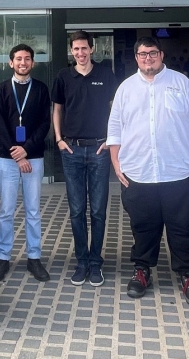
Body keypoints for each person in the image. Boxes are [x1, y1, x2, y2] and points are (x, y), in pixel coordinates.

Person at [107, 37, 189, 307]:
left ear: (161, 54)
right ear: (136, 58)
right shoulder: (126, 89)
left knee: (183, 228)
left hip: (180, 172)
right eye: (142, 54)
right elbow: (115, 128)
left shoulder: (182, 83)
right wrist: (117, 165)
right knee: (143, 227)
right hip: (139, 173)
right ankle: (142, 271)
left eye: (152, 53)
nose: (148, 58)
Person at [52, 31, 118, 287]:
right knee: (77, 210)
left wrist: (110, 140)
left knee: (99, 211)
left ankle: (95, 262)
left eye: (84, 48)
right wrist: (58, 139)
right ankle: (81, 261)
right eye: (75, 49)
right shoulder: (63, 77)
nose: (80, 53)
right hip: (72, 150)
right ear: (72, 51)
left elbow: (116, 110)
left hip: (99, 149)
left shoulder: (106, 75)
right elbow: (57, 109)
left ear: (92, 49)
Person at [0, 44, 53, 283]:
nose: (23, 63)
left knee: (33, 211)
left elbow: (44, 124)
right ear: (11, 63)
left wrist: (26, 150)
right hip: (8, 160)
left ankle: (34, 258)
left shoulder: (40, 89)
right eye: (18, 59)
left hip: (34, 158)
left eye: (27, 59)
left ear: (33, 63)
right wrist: (17, 154)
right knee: (6, 211)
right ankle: (3, 258)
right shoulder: (2, 89)